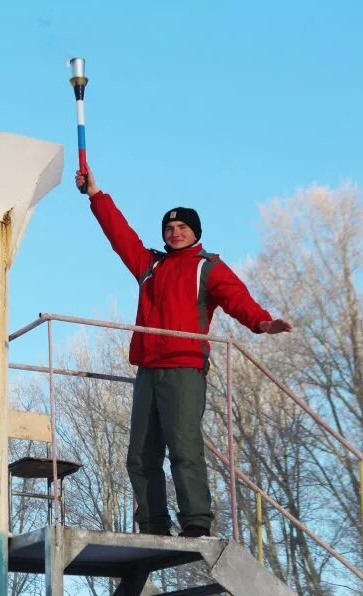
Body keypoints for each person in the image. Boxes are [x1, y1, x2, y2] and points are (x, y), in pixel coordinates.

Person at [75, 166, 292, 538]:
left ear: (195, 232)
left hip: (183, 368)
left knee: (183, 445)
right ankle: (153, 524)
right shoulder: (151, 266)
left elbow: (238, 300)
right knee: (140, 456)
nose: (175, 233)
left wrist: (262, 323)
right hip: (148, 370)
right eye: (169, 229)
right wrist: (96, 195)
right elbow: (120, 235)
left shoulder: (207, 267)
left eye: (182, 229)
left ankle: (195, 520)